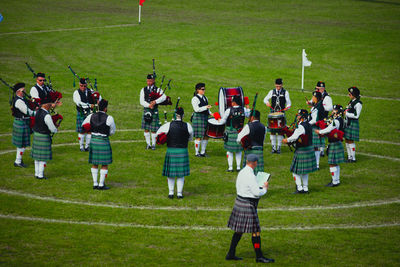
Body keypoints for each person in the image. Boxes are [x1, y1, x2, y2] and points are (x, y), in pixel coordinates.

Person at [226, 154, 274, 263]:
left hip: (239, 202)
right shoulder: (251, 175)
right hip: (248, 204)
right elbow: (257, 193)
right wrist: (265, 189)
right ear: (255, 163)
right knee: (256, 232)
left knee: (238, 231)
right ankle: (259, 256)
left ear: (247, 161)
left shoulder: (242, 172)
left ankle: (230, 253)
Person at [156, 107, 193, 199]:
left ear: (175, 115)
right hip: (183, 150)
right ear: (183, 115)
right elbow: (191, 138)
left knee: (170, 174)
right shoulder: (188, 126)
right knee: (181, 174)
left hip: (171, 150)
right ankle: (179, 194)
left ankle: (171, 193)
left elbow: (158, 133)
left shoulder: (168, 125)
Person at [81, 99, 116, 190]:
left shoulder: (91, 116)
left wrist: (92, 130)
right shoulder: (109, 118)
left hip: (94, 140)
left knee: (94, 163)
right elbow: (112, 131)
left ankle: (95, 183)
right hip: (103, 140)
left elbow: (84, 125)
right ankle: (101, 184)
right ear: (105, 108)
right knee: (104, 164)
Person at [283, 109, 317, 194]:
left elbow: (294, 137)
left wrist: (287, 140)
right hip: (309, 149)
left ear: (302, 117)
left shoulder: (301, 126)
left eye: (299, 115)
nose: (297, 116)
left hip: (302, 150)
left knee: (295, 171)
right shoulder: (309, 125)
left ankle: (299, 188)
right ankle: (305, 188)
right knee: (305, 171)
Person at [315, 105, 345, 187]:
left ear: (338, 112)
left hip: (334, 143)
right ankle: (336, 180)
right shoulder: (340, 119)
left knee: (332, 163)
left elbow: (329, 129)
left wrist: (320, 132)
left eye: (334, 110)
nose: (332, 112)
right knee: (335, 163)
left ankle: (334, 181)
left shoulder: (336, 121)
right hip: (337, 143)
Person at [219, 95, 250, 172]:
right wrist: (248, 107)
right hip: (240, 132)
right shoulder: (244, 110)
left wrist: (219, 119)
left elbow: (223, 121)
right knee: (238, 150)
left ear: (233, 102)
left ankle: (230, 168)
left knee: (229, 151)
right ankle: (238, 167)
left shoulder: (228, 110)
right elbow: (250, 115)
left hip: (230, 132)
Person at [31, 102, 59, 179]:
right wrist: (55, 130)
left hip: (36, 135)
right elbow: (52, 128)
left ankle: (37, 173)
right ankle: (40, 175)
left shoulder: (37, 112)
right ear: (46, 106)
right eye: (49, 104)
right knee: (43, 157)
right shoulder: (47, 115)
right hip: (44, 136)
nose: (50, 106)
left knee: (37, 157)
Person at [11, 83, 37, 167]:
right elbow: (27, 112)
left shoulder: (23, 99)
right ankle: (18, 161)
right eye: (23, 90)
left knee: (22, 144)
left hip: (24, 122)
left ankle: (18, 160)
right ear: (18, 92)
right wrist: (37, 113)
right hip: (21, 122)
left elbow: (29, 107)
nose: (25, 91)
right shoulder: (18, 101)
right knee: (22, 144)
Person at [263, 78, 291, 154]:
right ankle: (273, 147)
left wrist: (287, 107)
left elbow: (289, 103)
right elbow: (265, 99)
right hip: (273, 113)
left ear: (282, 85)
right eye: (277, 86)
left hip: (281, 114)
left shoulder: (286, 92)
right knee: (272, 131)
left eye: (280, 86)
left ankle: (278, 147)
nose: (278, 87)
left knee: (280, 131)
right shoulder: (271, 91)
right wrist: (267, 103)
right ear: (275, 85)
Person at [140, 74, 166, 150]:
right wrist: (149, 105)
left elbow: (164, 97)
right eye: (148, 81)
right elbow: (141, 101)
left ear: (154, 81)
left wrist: (155, 101)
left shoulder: (158, 89)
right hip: (147, 110)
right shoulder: (143, 89)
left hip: (154, 111)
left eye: (150, 81)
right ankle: (148, 144)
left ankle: (153, 144)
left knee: (154, 129)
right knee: (146, 128)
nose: (148, 82)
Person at [307, 81, 333, 157]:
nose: (317, 90)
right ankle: (319, 149)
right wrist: (310, 103)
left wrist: (321, 108)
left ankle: (321, 150)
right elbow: (313, 102)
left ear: (323, 89)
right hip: (316, 115)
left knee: (322, 133)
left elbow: (330, 108)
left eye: (318, 89)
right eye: (316, 88)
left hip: (323, 117)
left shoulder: (327, 97)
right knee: (317, 134)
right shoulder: (316, 95)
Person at [236, 110, 266, 175]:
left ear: (252, 117)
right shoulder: (263, 127)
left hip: (250, 151)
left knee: (248, 174)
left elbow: (238, 139)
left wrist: (244, 144)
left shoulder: (248, 126)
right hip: (260, 151)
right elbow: (263, 139)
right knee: (259, 174)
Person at [73, 78, 98, 151]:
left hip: (90, 113)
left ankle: (87, 146)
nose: (83, 87)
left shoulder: (91, 91)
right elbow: (78, 102)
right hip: (81, 113)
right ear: (79, 85)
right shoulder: (76, 93)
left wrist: (97, 98)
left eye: (84, 86)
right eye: (81, 86)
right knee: (82, 130)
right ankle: (81, 146)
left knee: (90, 130)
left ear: (86, 85)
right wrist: (90, 105)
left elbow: (98, 98)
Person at [191, 82, 212, 157]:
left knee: (206, 135)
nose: (204, 91)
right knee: (199, 136)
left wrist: (211, 113)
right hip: (198, 118)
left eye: (204, 89)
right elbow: (196, 109)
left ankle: (203, 152)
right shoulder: (194, 99)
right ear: (197, 90)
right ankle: (197, 153)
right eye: (202, 89)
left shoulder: (205, 98)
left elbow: (207, 109)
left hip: (205, 118)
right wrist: (206, 107)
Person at [344, 86, 363, 163]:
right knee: (347, 139)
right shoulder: (352, 101)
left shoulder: (358, 104)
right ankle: (349, 157)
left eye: (350, 94)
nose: (349, 95)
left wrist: (347, 114)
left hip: (352, 123)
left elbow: (356, 115)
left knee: (351, 140)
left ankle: (353, 158)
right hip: (348, 122)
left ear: (354, 94)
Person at [308, 91, 325, 170]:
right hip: (316, 128)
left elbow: (315, 120)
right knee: (315, 147)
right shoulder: (318, 105)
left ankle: (316, 165)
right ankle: (315, 163)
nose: (312, 99)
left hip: (316, 128)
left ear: (316, 98)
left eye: (313, 97)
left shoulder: (318, 107)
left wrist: (307, 124)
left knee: (316, 147)